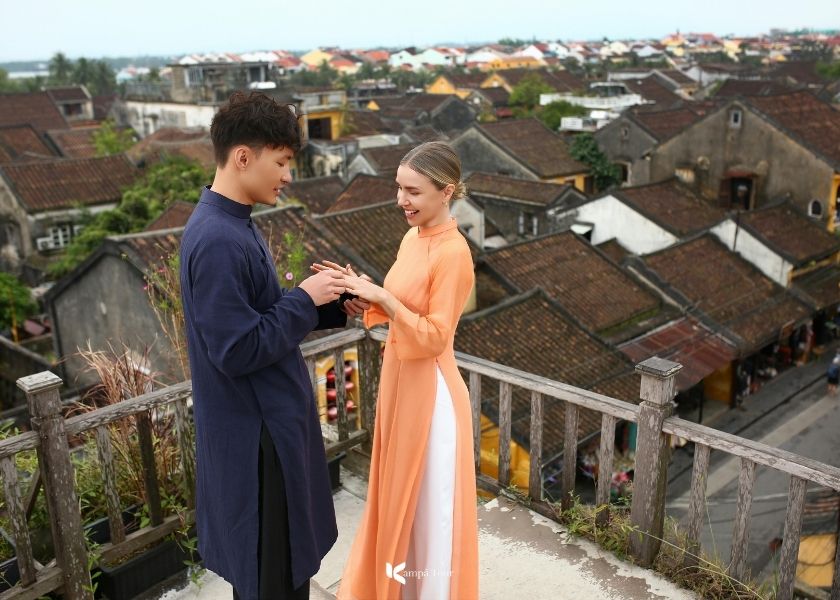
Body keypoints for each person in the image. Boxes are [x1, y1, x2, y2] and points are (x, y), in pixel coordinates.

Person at [179, 91, 369, 600]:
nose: (288, 176)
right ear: (243, 157)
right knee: (274, 578)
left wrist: (327, 305)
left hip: (263, 425)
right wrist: (305, 298)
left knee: (279, 574)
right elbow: (237, 349)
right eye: (282, 162)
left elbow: (260, 317)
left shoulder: (232, 225)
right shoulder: (218, 239)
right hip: (255, 439)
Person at [323, 141, 479, 599]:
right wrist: (368, 296)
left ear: (445, 192)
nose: (401, 200)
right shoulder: (412, 238)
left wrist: (386, 300)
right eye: (398, 188)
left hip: (430, 394)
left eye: (412, 191)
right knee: (398, 502)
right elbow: (402, 306)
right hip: (399, 380)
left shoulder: (453, 253)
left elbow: (435, 335)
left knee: (429, 512)